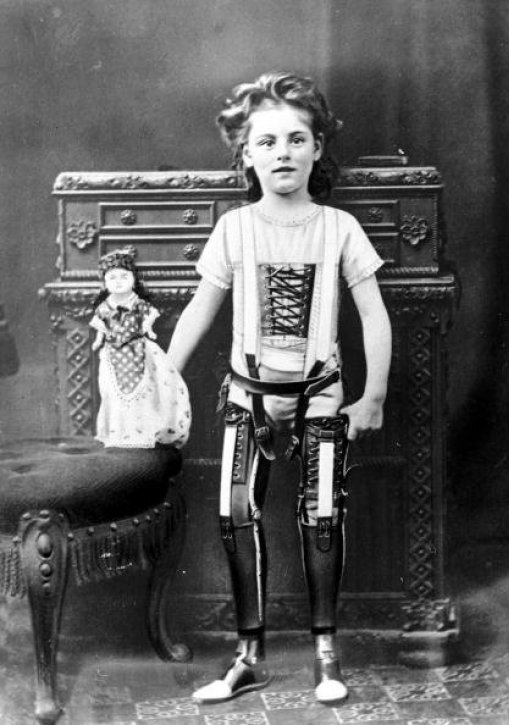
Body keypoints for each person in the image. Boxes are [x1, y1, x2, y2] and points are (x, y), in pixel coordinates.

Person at [168, 72, 391, 704]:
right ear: (246, 154)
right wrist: (162, 381)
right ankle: (249, 656)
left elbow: (374, 314)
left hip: (321, 394)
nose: (282, 153)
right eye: (266, 142)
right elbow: (199, 310)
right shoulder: (234, 228)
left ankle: (326, 652)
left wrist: (372, 396)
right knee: (235, 513)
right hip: (249, 396)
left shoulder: (339, 227)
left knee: (322, 514)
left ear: (318, 148)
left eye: (296, 139)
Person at [90, 246, 191, 449]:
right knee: (113, 392)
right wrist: (99, 340)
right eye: (112, 278)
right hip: (113, 352)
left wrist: (148, 329)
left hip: (137, 349)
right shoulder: (105, 307)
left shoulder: (137, 303)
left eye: (124, 277)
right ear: (105, 282)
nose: (118, 282)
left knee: (146, 388)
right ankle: (119, 433)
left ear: (133, 279)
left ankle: (144, 431)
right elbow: (100, 325)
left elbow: (150, 315)